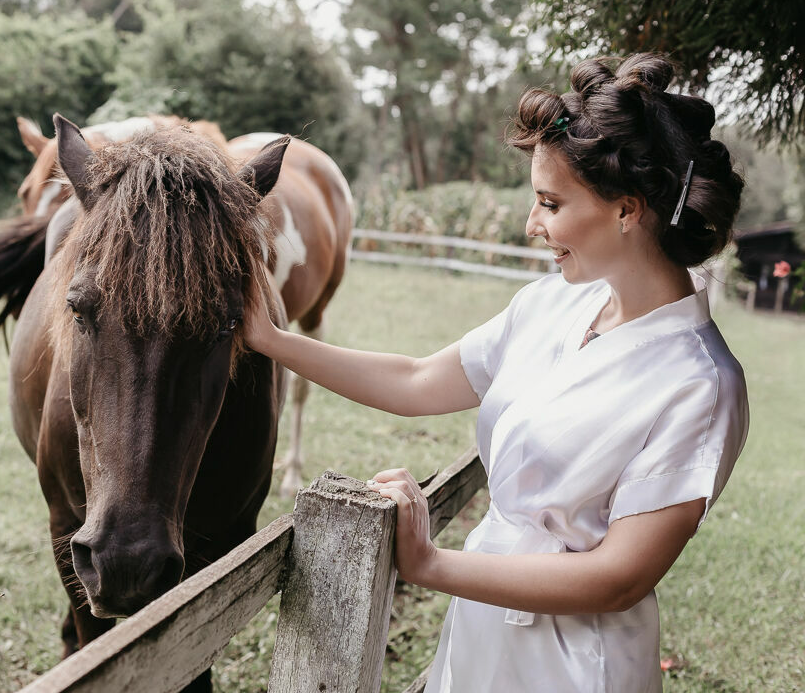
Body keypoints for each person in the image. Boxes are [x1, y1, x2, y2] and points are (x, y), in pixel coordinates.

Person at [243, 53, 749, 692]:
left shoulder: (701, 384)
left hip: (572, 664)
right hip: (481, 628)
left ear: (627, 209)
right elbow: (418, 380)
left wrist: (427, 563)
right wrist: (270, 339)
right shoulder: (554, 303)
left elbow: (620, 578)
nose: (532, 225)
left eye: (550, 202)